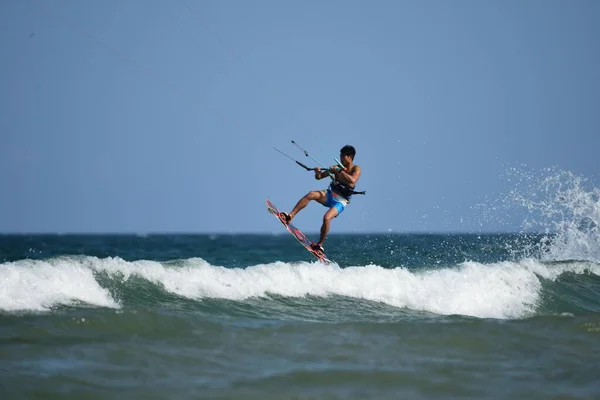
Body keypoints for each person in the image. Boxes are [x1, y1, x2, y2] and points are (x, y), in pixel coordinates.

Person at [279, 145, 362, 254]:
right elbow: (319, 177)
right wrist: (317, 172)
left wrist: (340, 171)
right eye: (340, 156)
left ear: (350, 157)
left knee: (327, 218)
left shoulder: (356, 169)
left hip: (341, 200)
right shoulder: (336, 167)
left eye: (343, 156)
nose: (341, 158)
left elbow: (352, 181)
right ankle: (290, 216)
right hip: (330, 194)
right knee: (311, 194)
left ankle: (320, 245)